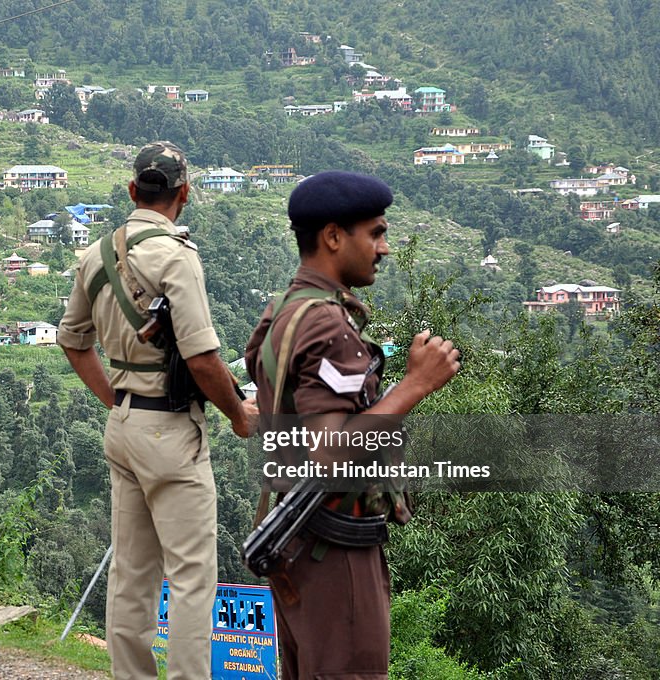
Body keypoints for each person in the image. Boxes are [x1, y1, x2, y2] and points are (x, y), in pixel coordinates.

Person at [244, 170, 460, 679]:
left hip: (296, 541)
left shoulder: (283, 311)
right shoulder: (326, 325)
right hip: (333, 550)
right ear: (334, 237)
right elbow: (330, 452)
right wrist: (415, 385)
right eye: (377, 233)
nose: (384, 248)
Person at [58, 141, 258, 680]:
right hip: (171, 432)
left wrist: (116, 401)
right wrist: (240, 415)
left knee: (131, 572)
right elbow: (204, 359)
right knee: (193, 576)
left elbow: (73, 342)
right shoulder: (176, 256)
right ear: (184, 194)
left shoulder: (95, 255)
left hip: (122, 424)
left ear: (132, 191)